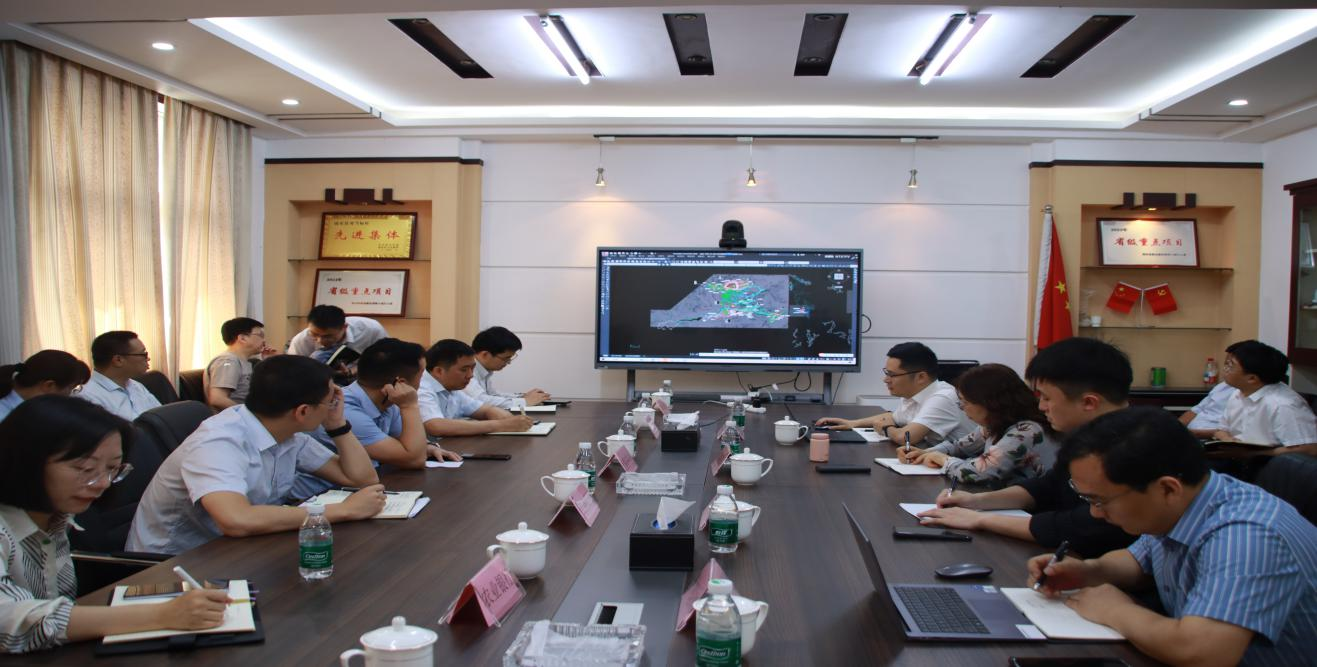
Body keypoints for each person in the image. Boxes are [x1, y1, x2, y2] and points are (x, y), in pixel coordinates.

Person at [1028, 407, 1317, 667]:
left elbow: (1202, 653)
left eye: (1100, 501)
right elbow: (1137, 562)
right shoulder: (1187, 501)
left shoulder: (1246, 535)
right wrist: (1088, 571)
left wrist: (1116, 611)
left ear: (1168, 489)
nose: (1095, 513)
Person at [0, 396, 231, 653]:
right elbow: (9, 620)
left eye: (112, 469)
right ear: (25, 460)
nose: (102, 483)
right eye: (85, 469)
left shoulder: (56, 516)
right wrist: (161, 615)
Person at [127, 355, 385, 555]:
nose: (334, 406)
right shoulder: (220, 442)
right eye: (330, 401)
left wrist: (337, 425)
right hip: (176, 564)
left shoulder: (288, 433)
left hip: (241, 548)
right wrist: (342, 511)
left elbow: (362, 479)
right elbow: (236, 519)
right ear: (303, 411)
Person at [918, 337, 1135, 557]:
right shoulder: (1084, 436)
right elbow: (1046, 487)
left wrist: (981, 519)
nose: (1041, 406)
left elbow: (1085, 525)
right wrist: (975, 501)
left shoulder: (1133, 445)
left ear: (1089, 402)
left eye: (1047, 398)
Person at [294, 338, 455, 499]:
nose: (423, 381)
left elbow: (409, 445)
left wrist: (428, 446)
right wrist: (410, 406)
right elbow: (414, 459)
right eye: (421, 375)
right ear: (400, 383)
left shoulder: (388, 403)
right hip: (314, 498)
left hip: (355, 489)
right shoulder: (344, 409)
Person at [898, 363, 1059, 488]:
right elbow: (959, 447)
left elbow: (979, 473)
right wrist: (925, 453)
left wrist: (942, 459)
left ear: (990, 402)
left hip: (1031, 512)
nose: (962, 408)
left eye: (966, 402)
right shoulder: (994, 424)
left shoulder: (1026, 431)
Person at [815, 341, 974, 447]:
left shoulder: (942, 398)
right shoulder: (914, 394)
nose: (886, 380)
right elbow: (893, 418)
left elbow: (905, 437)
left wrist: (887, 429)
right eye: (887, 373)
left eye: (892, 375)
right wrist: (852, 424)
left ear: (921, 377)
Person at [1210, 339, 1317, 456]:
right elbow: (1221, 430)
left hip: (1265, 462)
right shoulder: (1238, 393)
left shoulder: (1283, 405)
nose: (1225, 369)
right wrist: (1228, 440)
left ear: (1252, 378)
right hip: (1235, 457)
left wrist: (1254, 454)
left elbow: (1309, 449)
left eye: (1230, 365)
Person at [422, 339, 535, 438]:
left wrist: (502, 416)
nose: (470, 375)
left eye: (472, 369)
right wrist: (501, 425)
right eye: (464, 370)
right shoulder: (422, 388)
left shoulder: (452, 388)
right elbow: (436, 426)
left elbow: (483, 409)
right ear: (439, 371)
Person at [75, 331, 161, 421]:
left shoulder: (136, 386)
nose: (148, 358)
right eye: (143, 354)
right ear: (118, 360)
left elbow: (162, 418)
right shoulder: (87, 398)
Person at [464, 326, 550, 408]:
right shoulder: (466, 370)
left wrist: (523, 397)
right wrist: (524, 402)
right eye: (505, 358)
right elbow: (479, 400)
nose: (509, 362)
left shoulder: (483, 370)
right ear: (485, 355)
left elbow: (492, 395)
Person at [204, 317, 278, 411]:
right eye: (260, 335)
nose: (264, 341)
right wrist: (250, 415)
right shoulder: (228, 361)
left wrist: (269, 361)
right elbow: (217, 399)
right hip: (234, 418)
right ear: (242, 338)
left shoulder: (244, 362)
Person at [286, 305, 387, 372]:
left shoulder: (371, 330)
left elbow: (387, 359)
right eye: (314, 334)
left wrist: (355, 370)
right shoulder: (301, 341)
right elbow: (293, 372)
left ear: (344, 327)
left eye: (328, 336)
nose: (320, 340)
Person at [0, 351, 91, 421]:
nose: (69, 395)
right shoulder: (6, 417)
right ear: (49, 385)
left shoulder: (28, 408)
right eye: (71, 388)